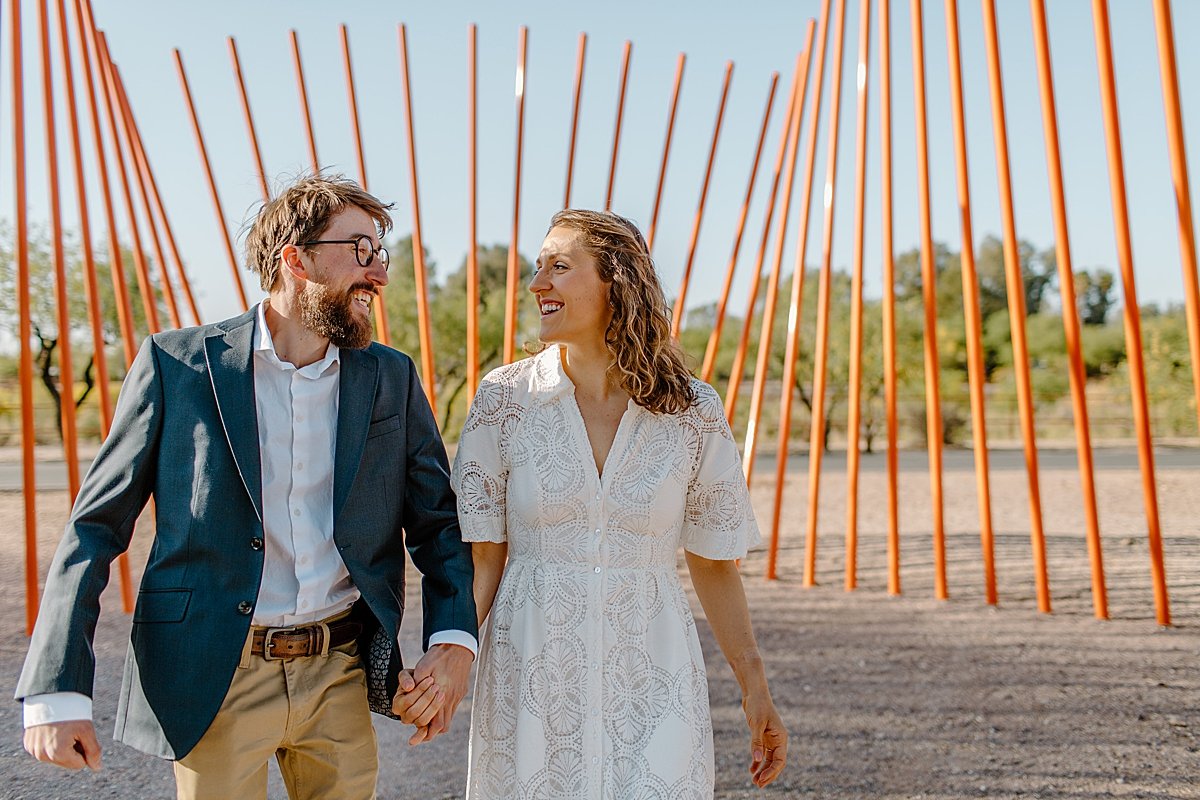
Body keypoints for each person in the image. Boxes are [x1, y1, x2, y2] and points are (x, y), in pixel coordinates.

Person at [16, 174, 477, 800]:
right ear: (295, 258)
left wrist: (451, 642)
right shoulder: (175, 365)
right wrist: (56, 688)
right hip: (218, 672)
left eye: (381, 254)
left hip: (339, 668)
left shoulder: (389, 377)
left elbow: (436, 524)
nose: (379, 274)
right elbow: (94, 529)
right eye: (361, 251)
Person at [453, 209, 787, 797]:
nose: (538, 285)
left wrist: (754, 687)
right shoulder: (504, 400)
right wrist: (449, 663)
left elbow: (713, 562)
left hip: (654, 677)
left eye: (560, 267)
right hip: (531, 677)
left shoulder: (692, 411)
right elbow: (485, 558)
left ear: (617, 281)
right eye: (538, 269)